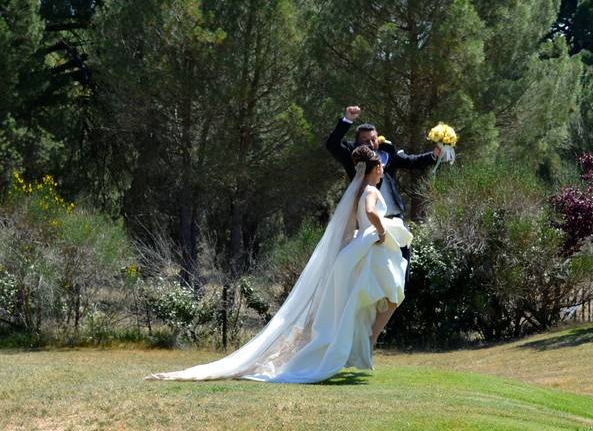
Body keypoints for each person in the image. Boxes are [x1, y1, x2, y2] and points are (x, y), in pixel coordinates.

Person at [144, 146, 411, 383]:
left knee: (367, 301)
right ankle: (368, 341)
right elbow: (372, 213)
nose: (381, 174)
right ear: (374, 169)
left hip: (357, 252)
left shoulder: (354, 193)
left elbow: (351, 226)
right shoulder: (371, 190)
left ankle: (363, 343)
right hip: (370, 251)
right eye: (380, 170)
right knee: (391, 295)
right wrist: (382, 233)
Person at [326, 105, 439, 264]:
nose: (371, 144)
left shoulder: (388, 152)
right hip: (372, 222)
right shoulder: (353, 156)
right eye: (366, 141)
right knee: (380, 265)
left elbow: (411, 161)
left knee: (403, 259)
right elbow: (332, 145)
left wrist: (434, 155)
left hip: (395, 218)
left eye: (373, 139)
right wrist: (347, 120)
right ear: (358, 142)